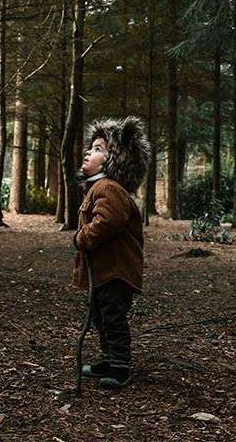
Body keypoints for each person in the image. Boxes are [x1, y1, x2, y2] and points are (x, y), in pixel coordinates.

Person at [71, 116, 150, 389]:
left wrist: (82, 237)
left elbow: (108, 222)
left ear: (116, 159)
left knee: (112, 317)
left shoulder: (109, 188)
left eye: (98, 149)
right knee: (100, 316)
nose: (88, 153)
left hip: (116, 272)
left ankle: (120, 365)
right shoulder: (98, 188)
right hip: (104, 272)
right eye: (90, 147)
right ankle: (108, 358)